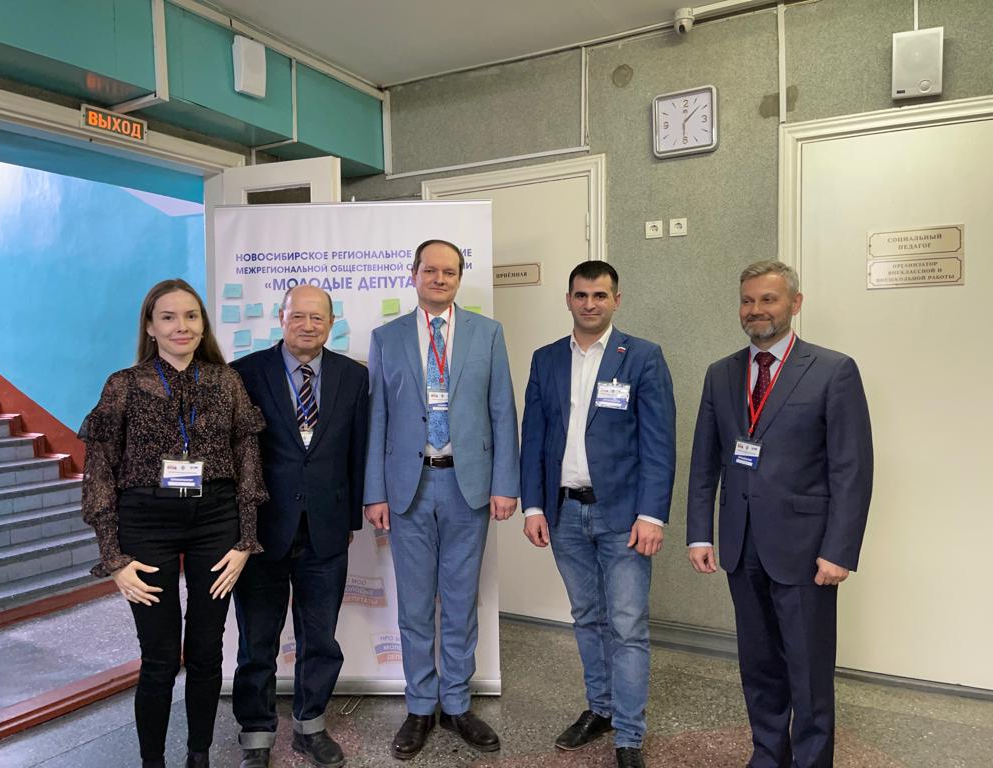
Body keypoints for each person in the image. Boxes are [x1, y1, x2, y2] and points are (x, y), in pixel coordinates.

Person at [687, 260, 873, 768]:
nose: (756, 310)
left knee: (808, 671)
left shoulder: (833, 370)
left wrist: (839, 551)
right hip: (741, 545)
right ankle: (768, 755)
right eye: (747, 300)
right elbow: (705, 461)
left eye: (768, 299)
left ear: (795, 303)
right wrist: (700, 534)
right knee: (759, 665)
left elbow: (852, 469)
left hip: (806, 551)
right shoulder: (721, 373)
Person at [79, 279, 267, 768]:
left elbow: (248, 459)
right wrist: (113, 557)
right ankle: (153, 761)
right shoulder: (123, 385)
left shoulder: (226, 382)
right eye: (168, 317)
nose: (181, 326)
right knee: (160, 657)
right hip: (145, 524)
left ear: (202, 324)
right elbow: (99, 470)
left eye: (190, 316)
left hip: (216, 520)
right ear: (150, 326)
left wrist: (245, 539)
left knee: (206, 652)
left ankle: (198, 755)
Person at [363, 239, 519, 760]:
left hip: (467, 486)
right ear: (414, 274)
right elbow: (377, 419)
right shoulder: (386, 338)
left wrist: (505, 483)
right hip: (408, 488)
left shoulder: (487, 333)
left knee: (459, 601)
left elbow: (503, 412)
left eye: (449, 271)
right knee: (413, 606)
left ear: (458, 278)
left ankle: (456, 703)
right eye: (430, 270)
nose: (439, 278)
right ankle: (419, 706)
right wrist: (375, 492)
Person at [519, 261, 676, 768]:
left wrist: (652, 515)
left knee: (627, 626)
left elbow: (659, 443)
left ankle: (629, 735)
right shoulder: (546, 359)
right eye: (582, 295)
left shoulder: (642, 357)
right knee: (587, 618)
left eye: (600, 295)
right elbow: (533, 438)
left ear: (616, 300)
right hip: (564, 513)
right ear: (568, 299)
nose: (590, 304)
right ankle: (601, 709)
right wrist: (534, 505)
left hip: (624, 517)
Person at [230, 285, 368, 768]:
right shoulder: (245, 373)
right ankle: (256, 735)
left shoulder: (353, 376)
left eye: (318, 318)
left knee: (320, 639)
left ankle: (310, 727)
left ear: (331, 322)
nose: (308, 325)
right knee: (257, 642)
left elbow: (357, 450)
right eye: (298, 316)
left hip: (327, 529)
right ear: (281, 317)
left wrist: (351, 518)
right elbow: (233, 454)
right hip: (262, 530)